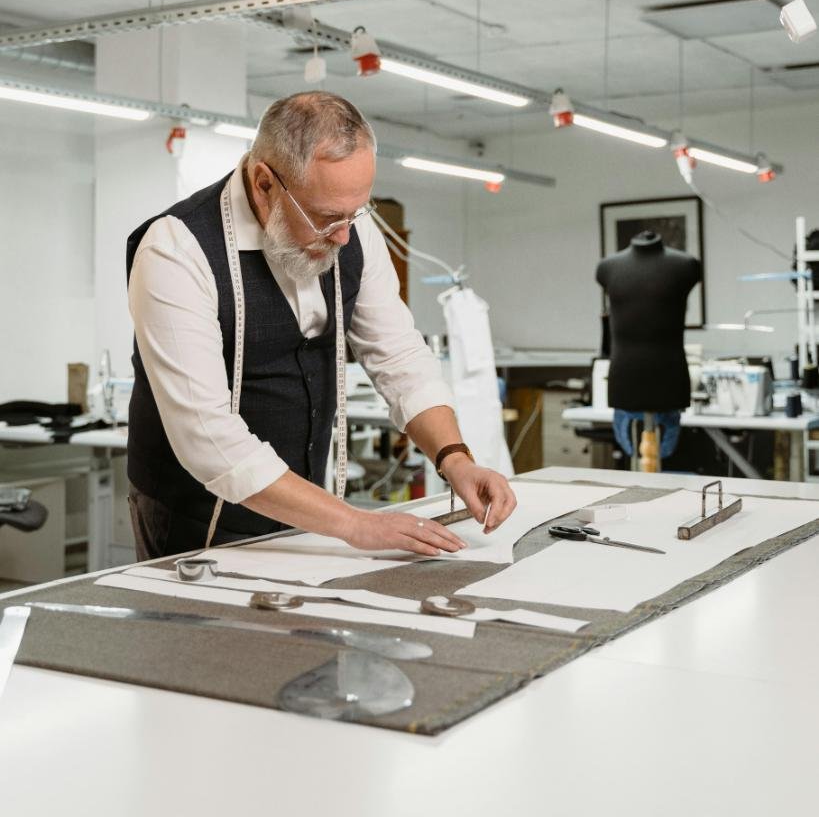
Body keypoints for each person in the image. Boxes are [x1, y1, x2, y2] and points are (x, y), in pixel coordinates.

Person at [126, 90, 516, 560]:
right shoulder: (176, 250)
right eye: (327, 217)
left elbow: (399, 356)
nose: (345, 235)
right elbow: (206, 437)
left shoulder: (348, 225)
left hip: (306, 509)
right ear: (264, 183)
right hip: (194, 515)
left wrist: (455, 457)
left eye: (356, 212)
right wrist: (355, 523)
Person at [596, 230, 701, 460]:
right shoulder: (607, 267)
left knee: (662, 458)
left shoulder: (687, 265)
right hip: (627, 380)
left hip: (668, 380)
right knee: (635, 457)